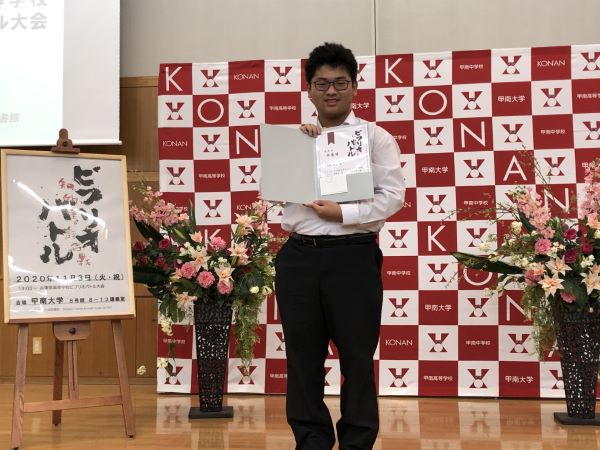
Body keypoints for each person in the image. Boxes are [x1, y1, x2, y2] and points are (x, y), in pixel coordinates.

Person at [274, 42, 406, 450]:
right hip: (298, 257)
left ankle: (357, 441)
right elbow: (278, 194)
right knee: (302, 357)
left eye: (340, 83)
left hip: (353, 258)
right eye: (322, 84)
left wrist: (343, 214)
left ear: (354, 87)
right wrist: (300, 149)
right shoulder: (294, 139)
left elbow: (393, 197)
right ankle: (311, 439)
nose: (331, 91)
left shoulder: (375, 138)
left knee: (357, 358)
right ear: (309, 90)